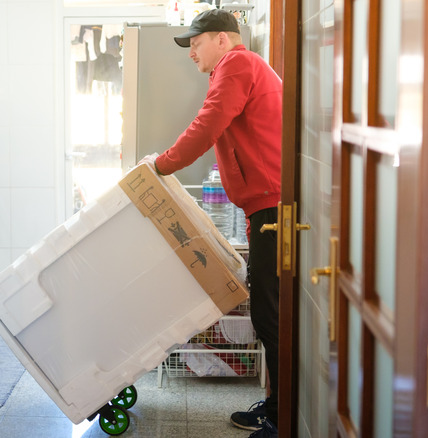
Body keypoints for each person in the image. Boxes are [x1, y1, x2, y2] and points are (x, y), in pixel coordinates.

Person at [139, 8, 282, 438]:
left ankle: (281, 417)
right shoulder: (244, 66)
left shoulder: (236, 64)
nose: (191, 53)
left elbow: (208, 125)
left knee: (269, 314)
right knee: (269, 312)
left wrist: (161, 165)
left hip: (272, 209)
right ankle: (279, 407)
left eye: (196, 43)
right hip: (266, 206)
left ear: (223, 39)